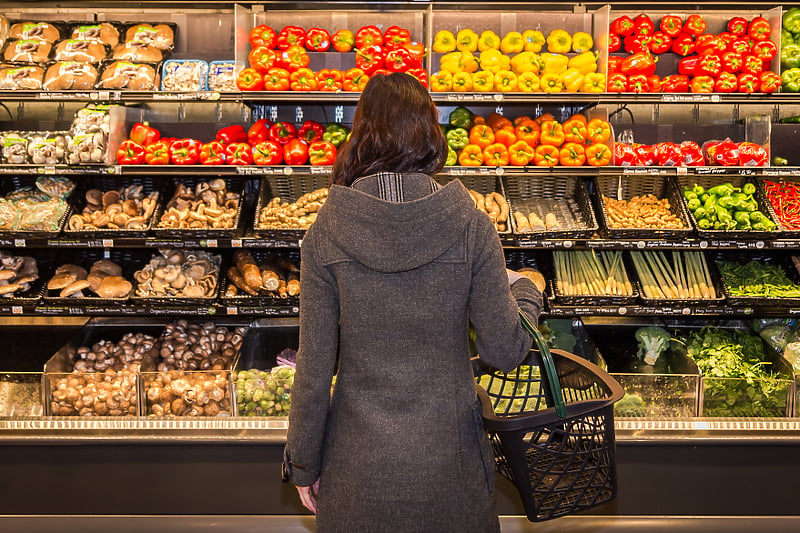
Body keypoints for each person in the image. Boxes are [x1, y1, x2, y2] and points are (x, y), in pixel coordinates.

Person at [283, 72, 543, 532]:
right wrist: (525, 290)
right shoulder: (471, 226)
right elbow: (505, 350)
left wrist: (303, 463)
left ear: (360, 134)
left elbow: (314, 365)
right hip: (452, 470)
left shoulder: (324, 232)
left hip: (357, 472)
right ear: (430, 132)